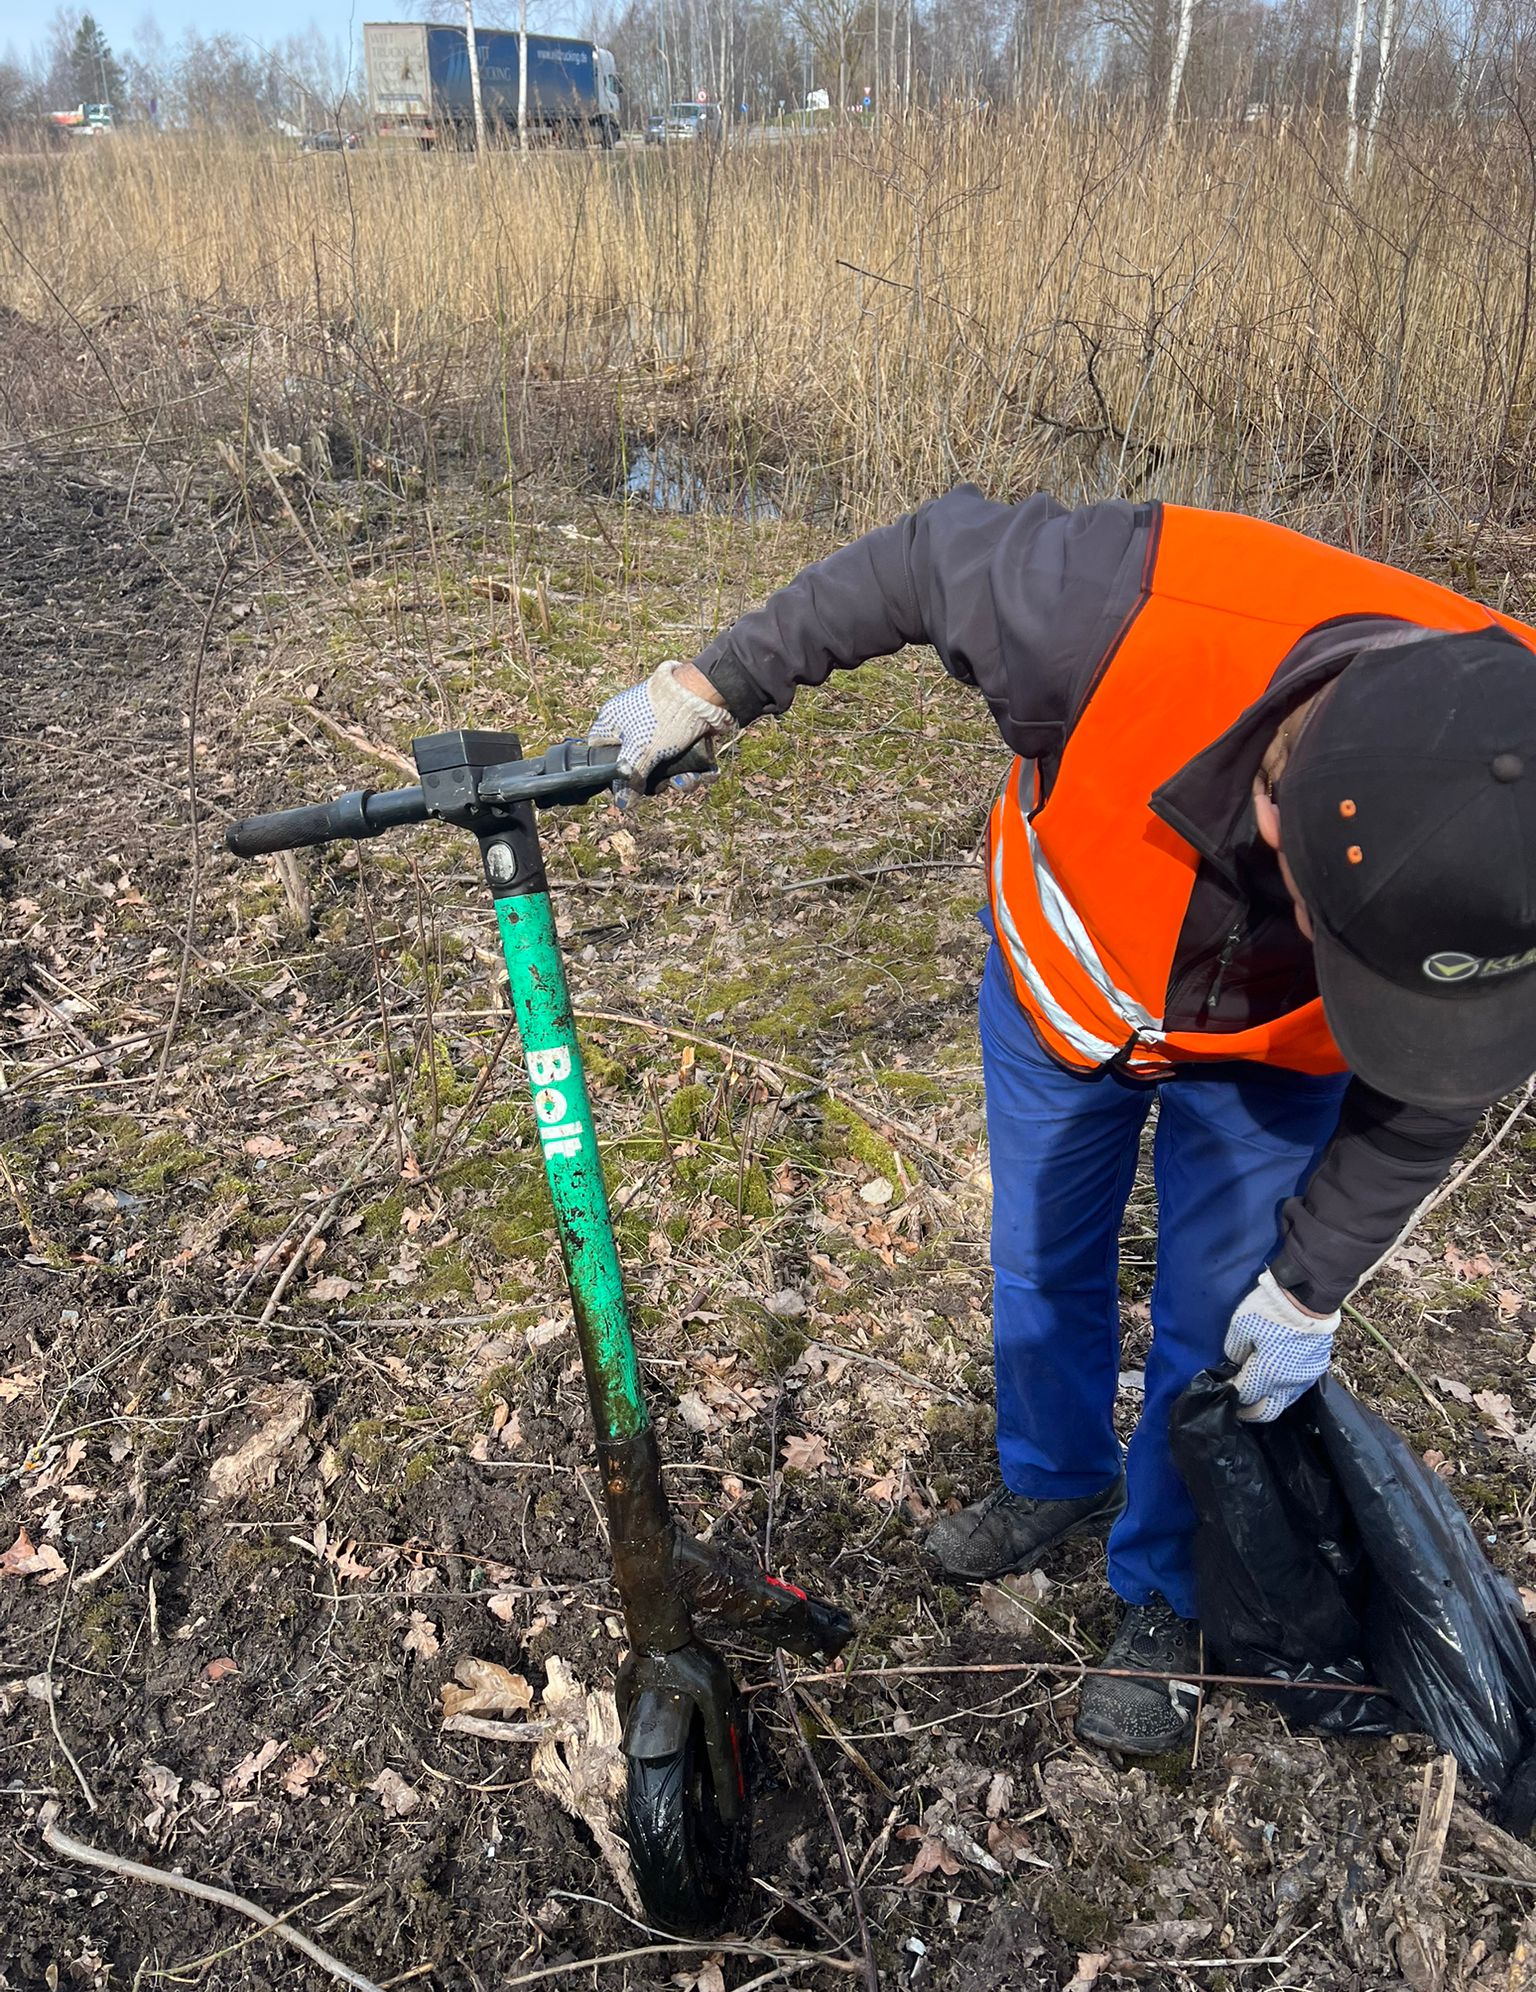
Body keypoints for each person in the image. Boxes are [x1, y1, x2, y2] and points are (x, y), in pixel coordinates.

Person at [588, 489, 1536, 1756]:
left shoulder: (1511, 798)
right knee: (1042, 1254)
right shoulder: (1106, 606)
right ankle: (1052, 1471)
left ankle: (1161, 1590)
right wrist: (711, 684)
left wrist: (1308, 1288)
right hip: (1064, 981)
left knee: (1216, 1318)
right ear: (1276, 809)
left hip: (1264, 1068)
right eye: (1333, 929)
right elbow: (918, 557)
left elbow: (1440, 1081)